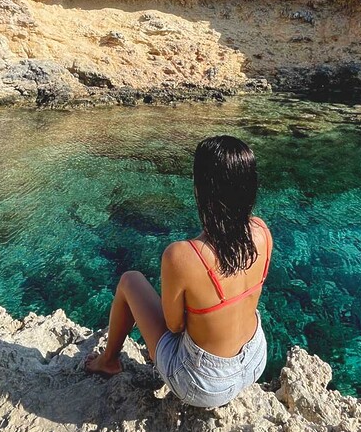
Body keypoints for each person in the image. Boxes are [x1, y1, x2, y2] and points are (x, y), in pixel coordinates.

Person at [84, 134, 272, 408]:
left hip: (205, 384)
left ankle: (108, 361)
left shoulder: (183, 255)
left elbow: (174, 326)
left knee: (130, 280)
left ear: (201, 189)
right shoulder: (262, 231)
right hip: (255, 360)